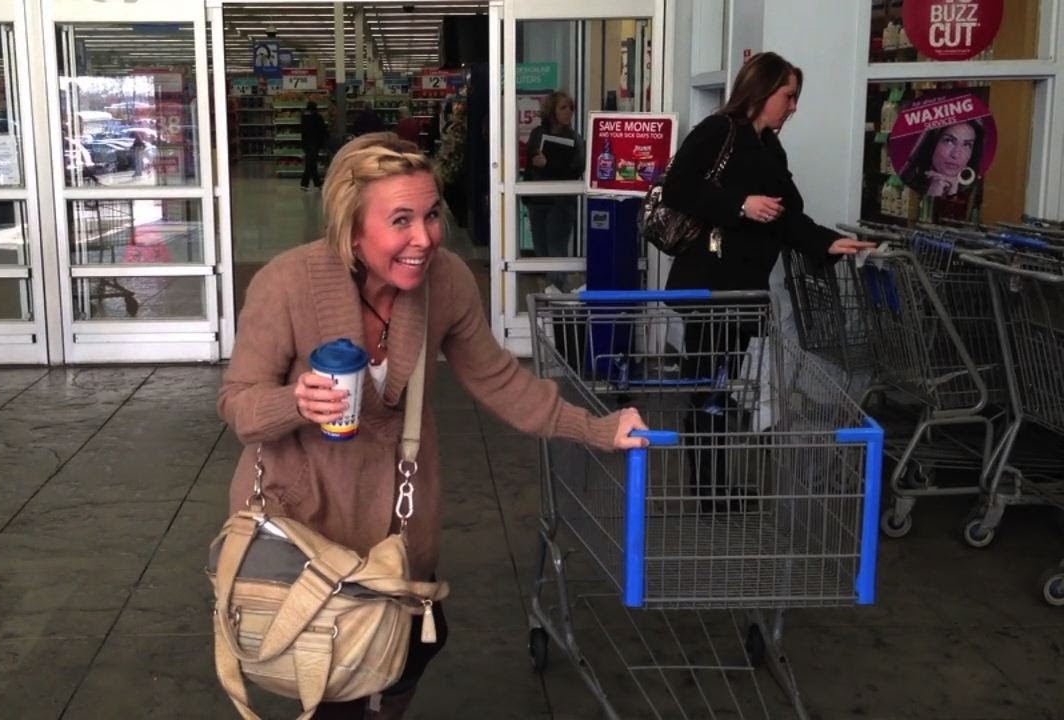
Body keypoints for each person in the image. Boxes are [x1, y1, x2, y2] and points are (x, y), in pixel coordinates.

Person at [216, 132, 649, 719]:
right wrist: (296, 402)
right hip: (305, 522)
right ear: (351, 228)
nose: (424, 238)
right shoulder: (286, 284)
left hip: (397, 519)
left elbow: (499, 379)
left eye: (431, 215)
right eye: (401, 220)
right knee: (335, 678)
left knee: (417, 644)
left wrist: (597, 428)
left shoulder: (445, 282)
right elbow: (239, 405)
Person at [659, 51, 875, 508]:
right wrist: (741, 205)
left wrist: (829, 243)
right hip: (712, 288)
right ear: (761, 90)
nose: (793, 106)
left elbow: (787, 217)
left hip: (742, 291)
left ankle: (714, 487)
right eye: (788, 95)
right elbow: (677, 187)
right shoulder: (719, 131)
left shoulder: (770, 148)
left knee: (720, 387)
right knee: (710, 388)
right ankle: (709, 490)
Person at [523, 91, 585, 290]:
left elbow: (576, 169)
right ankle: (550, 290)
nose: (568, 112)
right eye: (563, 107)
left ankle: (557, 292)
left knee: (557, 249)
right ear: (552, 111)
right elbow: (531, 163)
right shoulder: (538, 134)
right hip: (538, 200)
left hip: (561, 202)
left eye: (571, 108)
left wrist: (548, 164)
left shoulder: (575, 139)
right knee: (541, 250)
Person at [900, 120, 985, 198]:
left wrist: (953, 192)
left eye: (967, 145)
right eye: (949, 141)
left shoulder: (975, 192)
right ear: (933, 144)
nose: (955, 154)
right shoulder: (906, 181)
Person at [299, 100, 329, 191]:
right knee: (311, 163)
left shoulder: (304, 118)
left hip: (306, 143)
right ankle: (305, 184)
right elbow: (323, 130)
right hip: (315, 143)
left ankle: (316, 184)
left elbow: (302, 131)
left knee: (311, 162)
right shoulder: (318, 117)